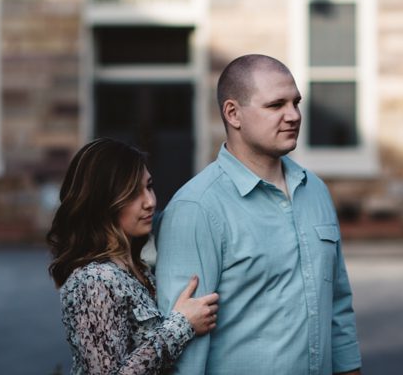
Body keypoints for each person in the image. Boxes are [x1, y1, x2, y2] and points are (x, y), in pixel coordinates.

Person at [155, 55, 361, 375]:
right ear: (233, 113)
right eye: (276, 105)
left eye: (296, 103)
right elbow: (183, 349)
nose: (293, 115)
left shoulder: (315, 191)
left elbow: (337, 305)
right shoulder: (196, 208)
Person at [49, 138, 219, 374]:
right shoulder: (94, 280)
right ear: (103, 202)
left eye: (149, 186)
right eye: (132, 194)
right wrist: (182, 325)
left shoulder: (135, 268)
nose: (150, 202)